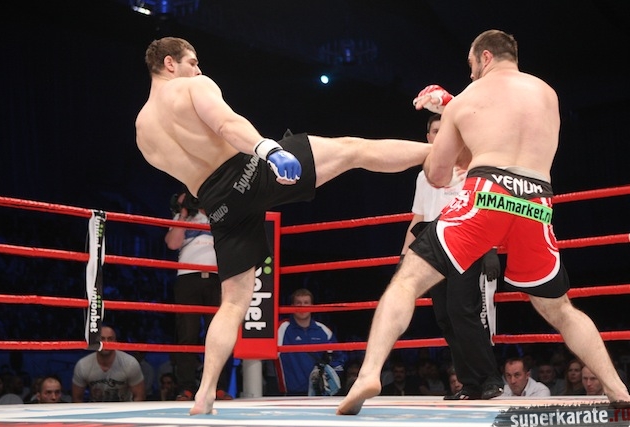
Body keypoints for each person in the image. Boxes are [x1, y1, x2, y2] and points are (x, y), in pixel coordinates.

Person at [337, 29, 630, 415]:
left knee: (406, 281)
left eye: (472, 64)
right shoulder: (547, 93)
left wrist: (450, 112)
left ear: (485, 56)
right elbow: (507, 130)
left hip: (487, 195)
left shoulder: (469, 98)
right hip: (537, 202)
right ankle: (618, 388)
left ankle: (368, 374)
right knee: (560, 309)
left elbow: (438, 175)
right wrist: (453, 108)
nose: (471, 73)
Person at [135, 36, 432, 415]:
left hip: (217, 205)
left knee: (233, 303)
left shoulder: (143, 129)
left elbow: (185, 171)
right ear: (169, 63)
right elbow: (227, 124)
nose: (198, 68)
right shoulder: (193, 87)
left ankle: (204, 393)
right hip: (249, 171)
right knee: (353, 149)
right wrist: (270, 150)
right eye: (192, 62)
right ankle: (440, 153)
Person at [401, 113, 502, 400]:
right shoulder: (424, 175)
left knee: (463, 311)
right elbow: (418, 217)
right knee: (445, 317)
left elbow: (487, 210)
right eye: (434, 130)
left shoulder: (471, 168)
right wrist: (405, 256)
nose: (439, 135)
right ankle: (469, 384)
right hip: (433, 249)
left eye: (443, 130)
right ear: (428, 137)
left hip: (465, 245)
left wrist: (491, 249)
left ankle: (490, 379)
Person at [164, 190, 229, 397]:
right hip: (187, 278)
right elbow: (173, 243)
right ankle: (187, 388)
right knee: (187, 334)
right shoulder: (181, 218)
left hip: (217, 278)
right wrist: (184, 213)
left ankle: (219, 387)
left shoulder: (221, 213)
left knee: (220, 333)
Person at [276, 288, 346, 396]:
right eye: (298, 303)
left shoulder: (323, 330)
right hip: (290, 394)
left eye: (306, 303)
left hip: (319, 394)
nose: (302, 307)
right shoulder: (281, 328)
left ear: (312, 306)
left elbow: (338, 358)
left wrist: (329, 377)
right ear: (292, 306)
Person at [71, 325, 146, 402]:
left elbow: (139, 396)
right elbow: (77, 398)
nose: (106, 343)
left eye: (110, 339)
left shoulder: (130, 363)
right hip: (96, 408)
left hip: (123, 408)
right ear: (95, 342)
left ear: (115, 342)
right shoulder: (83, 365)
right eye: (102, 339)